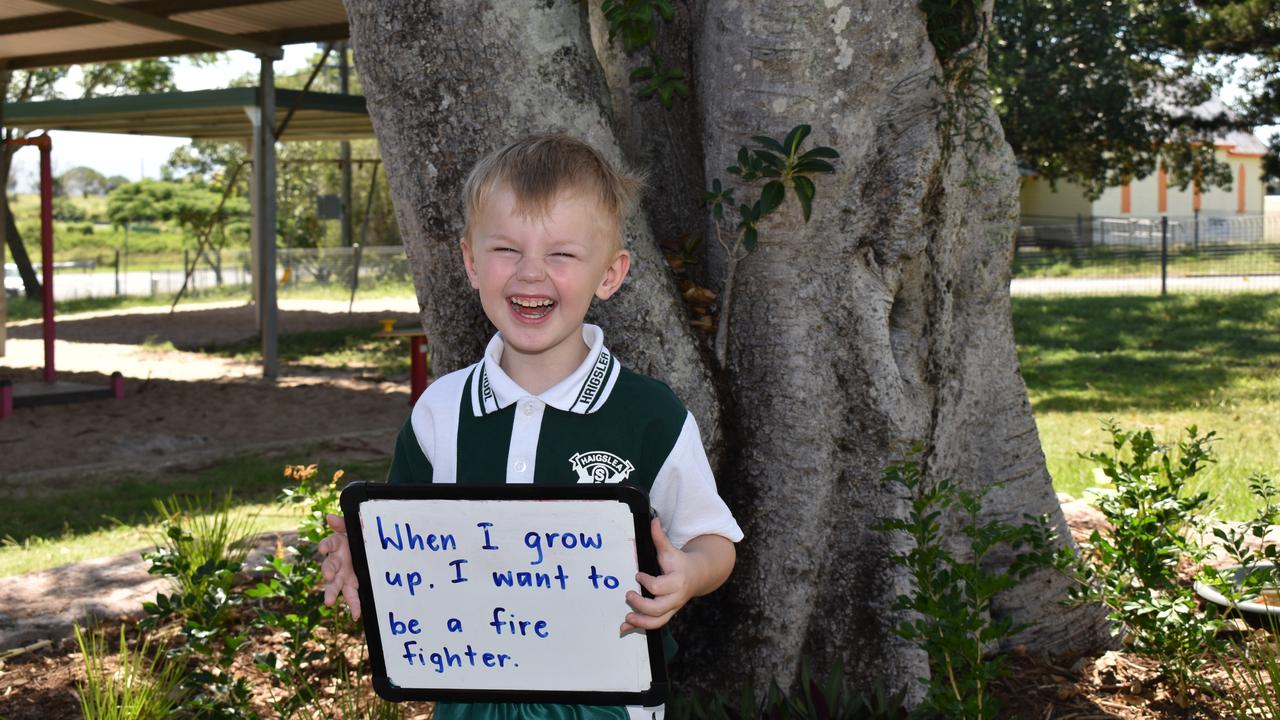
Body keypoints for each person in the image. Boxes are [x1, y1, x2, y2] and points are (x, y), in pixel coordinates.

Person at [318, 133, 742, 720]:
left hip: (609, 702)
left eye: (562, 255)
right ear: (470, 261)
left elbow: (714, 540)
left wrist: (689, 574)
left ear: (610, 274)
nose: (530, 274)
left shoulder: (650, 415)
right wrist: (362, 560)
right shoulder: (439, 412)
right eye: (506, 250)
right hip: (469, 697)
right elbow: (404, 545)